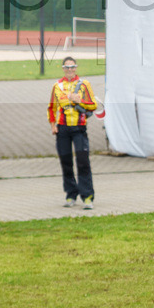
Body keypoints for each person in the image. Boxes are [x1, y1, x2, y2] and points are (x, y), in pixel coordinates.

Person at [48, 56, 98, 209]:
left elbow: (93, 105)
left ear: (76, 68)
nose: (70, 70)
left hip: (79, 128)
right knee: (66, 162)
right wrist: (53, 125)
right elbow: (52, 107)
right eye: (67, 67)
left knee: (83, 162)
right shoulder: (57, 86)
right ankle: (71, 194)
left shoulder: (84, 85)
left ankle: (87, 196)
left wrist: (79, 101)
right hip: (62, 128)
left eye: (72, 67)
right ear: (63, 68)